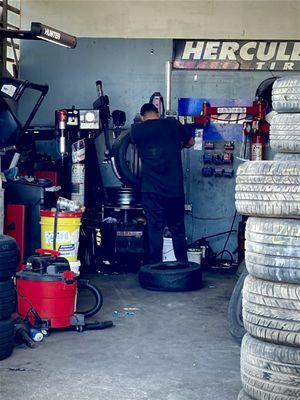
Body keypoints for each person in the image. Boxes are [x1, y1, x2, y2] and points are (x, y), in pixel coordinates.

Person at [131, 103, 195, 264]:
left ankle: (155, 268)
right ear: (158, 113)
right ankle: (184, 267)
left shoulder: (137, 130)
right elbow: (191, 142)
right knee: (177, 229)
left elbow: (130, 143)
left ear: (142, 116)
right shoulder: (173, 125)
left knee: (154, 228)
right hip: (174, 190)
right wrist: (178, 145)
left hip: (151, 190)